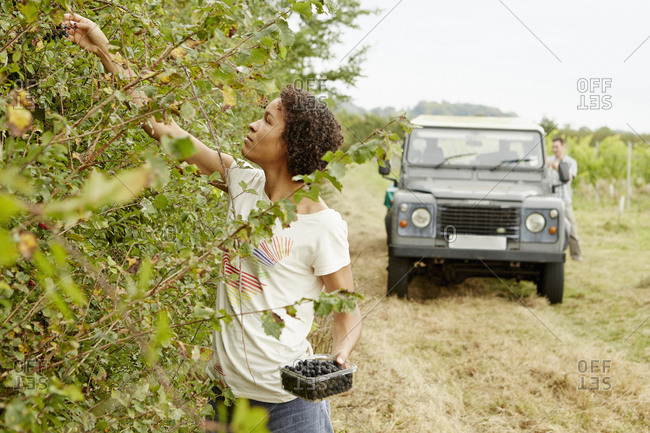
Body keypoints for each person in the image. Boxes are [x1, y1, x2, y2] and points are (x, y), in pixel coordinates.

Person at [64, 13, 362, 432]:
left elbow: (346, 308)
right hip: (224, 399)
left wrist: (341, 356)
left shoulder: (322, 225)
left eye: (268, 121)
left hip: (289, 407)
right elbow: (162, 128)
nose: (254, 123)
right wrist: (102, 50)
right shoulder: (242, 180)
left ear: (291, 146)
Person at [547, 136, 583, 261]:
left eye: (556, 147)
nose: (554, 149)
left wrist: (555, 166)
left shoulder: (571, 162)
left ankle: (576, 255)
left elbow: (567, 178)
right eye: (553, 147)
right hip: (550, 200)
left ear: (563, 146)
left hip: (564, 200)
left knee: (571, 228)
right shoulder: (548, 160)